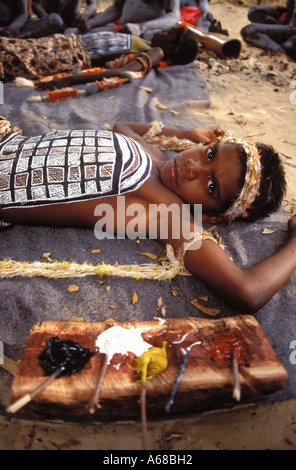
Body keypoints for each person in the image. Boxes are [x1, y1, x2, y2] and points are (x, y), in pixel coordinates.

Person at [0, 117, 294, 314]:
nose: (194, 168)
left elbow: (248, 293)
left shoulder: (167, 213)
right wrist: (185, 134)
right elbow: (123, 126)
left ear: (213, 217)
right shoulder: (156, 157)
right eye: (209, 154)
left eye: (211, 185)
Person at [0, 25, 198, 82]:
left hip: (69, 55)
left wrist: (70, 80)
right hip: (65, 46)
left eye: (169, 33)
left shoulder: (157, 51)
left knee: (9, 58)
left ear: (173, 49)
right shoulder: (145, 43)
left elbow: (124, 73)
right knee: (8, 50)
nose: (161, 31)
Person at [81, 0, 181, 41]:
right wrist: (90, 23)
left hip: (147, 34)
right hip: (123, 31)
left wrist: (140, 28)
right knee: (75, 34)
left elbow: (173, 17)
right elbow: (116, 9)